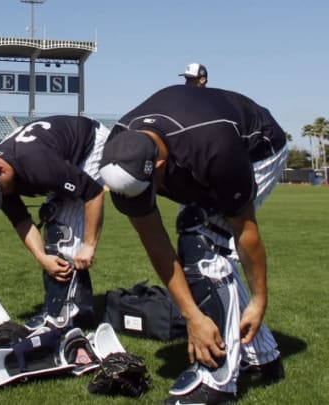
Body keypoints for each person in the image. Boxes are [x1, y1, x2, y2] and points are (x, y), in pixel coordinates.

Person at [98, 84, 286, 404]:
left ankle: (216, 380)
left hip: (257, 147)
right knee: (196, 234)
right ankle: (262, 357)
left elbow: (246, 231)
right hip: (195, 145)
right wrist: (191, 316)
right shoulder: (119, 154)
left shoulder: (215, 149)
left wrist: (258, 299)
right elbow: (155, 242)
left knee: (202, 242)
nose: (143, 200)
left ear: (159, 166)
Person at [0, 115, 110, 331]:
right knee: (53, 230)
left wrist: (89, 245)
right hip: (58, 152)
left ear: (1, 170)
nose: (1, 198)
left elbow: (94, 194)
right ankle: (80, 310)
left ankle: (62, 315)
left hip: (89, 142)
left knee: (64, 233)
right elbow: (21, 222)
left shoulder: (36, 163)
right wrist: (41, 258)